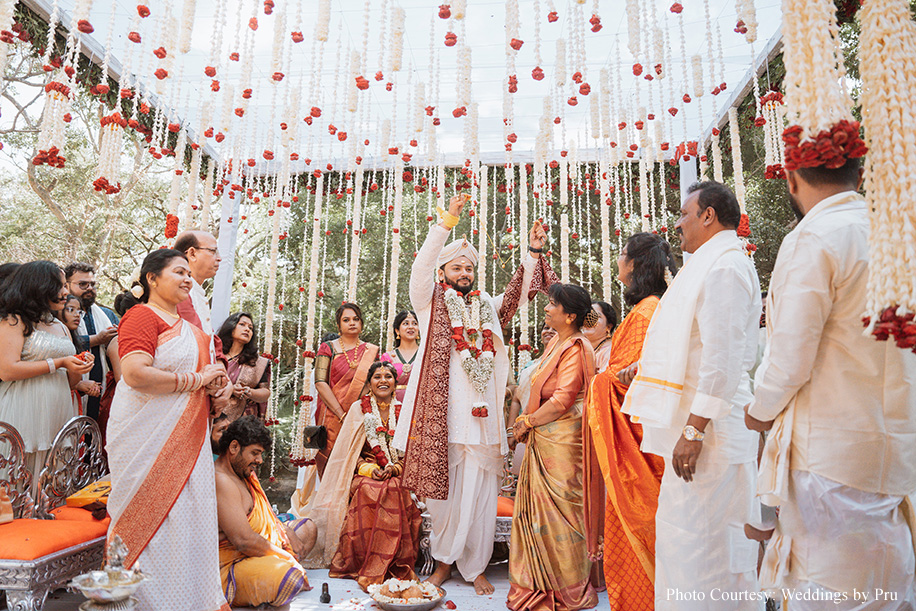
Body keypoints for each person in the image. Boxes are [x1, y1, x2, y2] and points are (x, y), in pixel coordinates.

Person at [745, 157, 916, 607]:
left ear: (792, 178)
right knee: (885, 583)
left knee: (826, 587)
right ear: (860, 175)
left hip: (829, 452)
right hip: (893, 444)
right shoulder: (897, 236)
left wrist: (759, 411)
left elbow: (789, 360)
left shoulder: (814, 238)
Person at [392, 193, 553, 595]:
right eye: (457, 266)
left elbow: (517, 295)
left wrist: (533, 252)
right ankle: (445, 562)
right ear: (444, 272)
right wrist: (447, 221)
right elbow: (420, 268)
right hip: (444, 413)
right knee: (446, 495)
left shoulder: (486, 307)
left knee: (482, 490)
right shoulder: (429, 303)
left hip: (482, 417)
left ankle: (476, 565)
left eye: (470, 267)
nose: (465, 271)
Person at [621, 181, 762, 610]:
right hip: (699, 428)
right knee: (687, 541)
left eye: (684, 214)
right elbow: (698, 346)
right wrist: (644, 370)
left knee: (710, 548)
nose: (677, 224)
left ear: (708, 215)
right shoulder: (707, 263)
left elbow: (724, 359)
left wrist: (694, 431)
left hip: (711, 434)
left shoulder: (724, 267)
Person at [106, 249, 230, 611]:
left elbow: (206, 382)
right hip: (144, 438)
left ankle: (190, 602)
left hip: (189, 441)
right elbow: (135, 374)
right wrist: (196, 380)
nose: (188, 279)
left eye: (189, 274)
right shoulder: (141, 317)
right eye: (179, 272)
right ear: (151, 278)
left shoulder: (194, 331)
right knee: (154, 527)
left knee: (190, 521)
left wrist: (216, 390)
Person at [583, 232, 677, 611]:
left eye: (621, 254)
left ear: (635, 265)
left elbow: (632, 382)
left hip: (637, 450)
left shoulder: (645, 313)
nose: (618, 260)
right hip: (635, 445)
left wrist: (596, 383)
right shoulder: (653, 308)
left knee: (637, 529)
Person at [508, 283, 597, 611]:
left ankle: (567, 588)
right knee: (539, 514)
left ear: (570, 315)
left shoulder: (575, 347)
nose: (546, 309)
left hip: (562, 441)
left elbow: (562, 400)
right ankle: (538, 581)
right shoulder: (558, 343)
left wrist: (527, 422)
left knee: (562, 515)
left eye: (553, 305)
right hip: (546, 436)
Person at [307, 361, 423, 588]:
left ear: (395, 382)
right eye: (377, 377)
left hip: (399, 469)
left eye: (388, 376)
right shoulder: (359, 409)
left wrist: (396, 467)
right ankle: (362, 560)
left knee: (396, 488)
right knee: (368, 488)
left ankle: (394, 562)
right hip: (365, 469)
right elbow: (348, 452)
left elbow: (413, 450)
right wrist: (369, 469)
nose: (383, 381)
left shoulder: (404, 410)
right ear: (369, 384)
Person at [0, 261, 93, 491]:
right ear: (39, 286)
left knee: (53, 479)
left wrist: (78, 367)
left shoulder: (59, 326)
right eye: (59, 286)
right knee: (20, 477)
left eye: (64, 286)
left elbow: (72, 381)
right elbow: (7, 369)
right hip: (24, 408)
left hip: (59, 409)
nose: (65, 292)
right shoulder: (14, 320)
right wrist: (58, 362)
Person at [215, 416, 314, 607]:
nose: (259, 460)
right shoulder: (222, 480)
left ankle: (267, 585)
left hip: (258, 548)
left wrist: (284, 531)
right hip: (233, 564)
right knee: (286, 575)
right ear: (234, 447)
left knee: (308, 529)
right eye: (255, 453)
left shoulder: (243, 472)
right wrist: (285, 557)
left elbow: (266, 513)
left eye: (261, 454)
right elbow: (244, 541)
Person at [313, 302, 379, 477]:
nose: (352, 323)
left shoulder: (370, 351)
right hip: (331, 416)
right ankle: (330, 503)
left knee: (359, 464)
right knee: (331, 465)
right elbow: (320, 382)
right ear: (338, 325)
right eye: (346, 320)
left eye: (356, 319)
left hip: (359, 416)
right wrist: (341, 414)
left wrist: (354, 413)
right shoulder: (328, 348)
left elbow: (373, 384)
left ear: (361, 323)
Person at [173, 230, 232, 412]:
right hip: (182, 394)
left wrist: (224, 378)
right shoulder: (178, 292)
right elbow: (194, 342)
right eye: (213, 251)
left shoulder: (197, 291)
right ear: (191, 253)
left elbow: (211, 340)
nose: (219, 258)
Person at [65, 262, 119, 422]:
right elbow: (59, 344)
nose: (89, 288)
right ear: (66, 286)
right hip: (72, 390)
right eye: (82, 284)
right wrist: (97, 339)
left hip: (101, 390)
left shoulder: (107, 315)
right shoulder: (59, 314)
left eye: (92, 284)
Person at [217, 312, 271, 423]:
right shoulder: (215, 355)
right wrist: (230, 389)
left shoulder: (256, 362)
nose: (247, 329)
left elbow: (265, 393)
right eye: (242, 324)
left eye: (250, 328)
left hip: (243, 422)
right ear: (230, 327)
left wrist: (248, 391)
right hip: (213, 416)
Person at [58, 294, 102, 411]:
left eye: (79, 311)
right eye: (71, 309)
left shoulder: (74, 338)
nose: (77, 315)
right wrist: (80, 384)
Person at [380, 310, 420, 402]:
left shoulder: (425, 354)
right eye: (406, 323)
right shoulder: (388, 357)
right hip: (393, 405)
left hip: (420, 404)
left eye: (414, 323)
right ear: (397, 330)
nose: (411, 327)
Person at [582, 301, 617, 373]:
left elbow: (605, 380)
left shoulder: (611, 351)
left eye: (596, 316)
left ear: (609, 327)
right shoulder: (580, 347)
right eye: (586, 315)